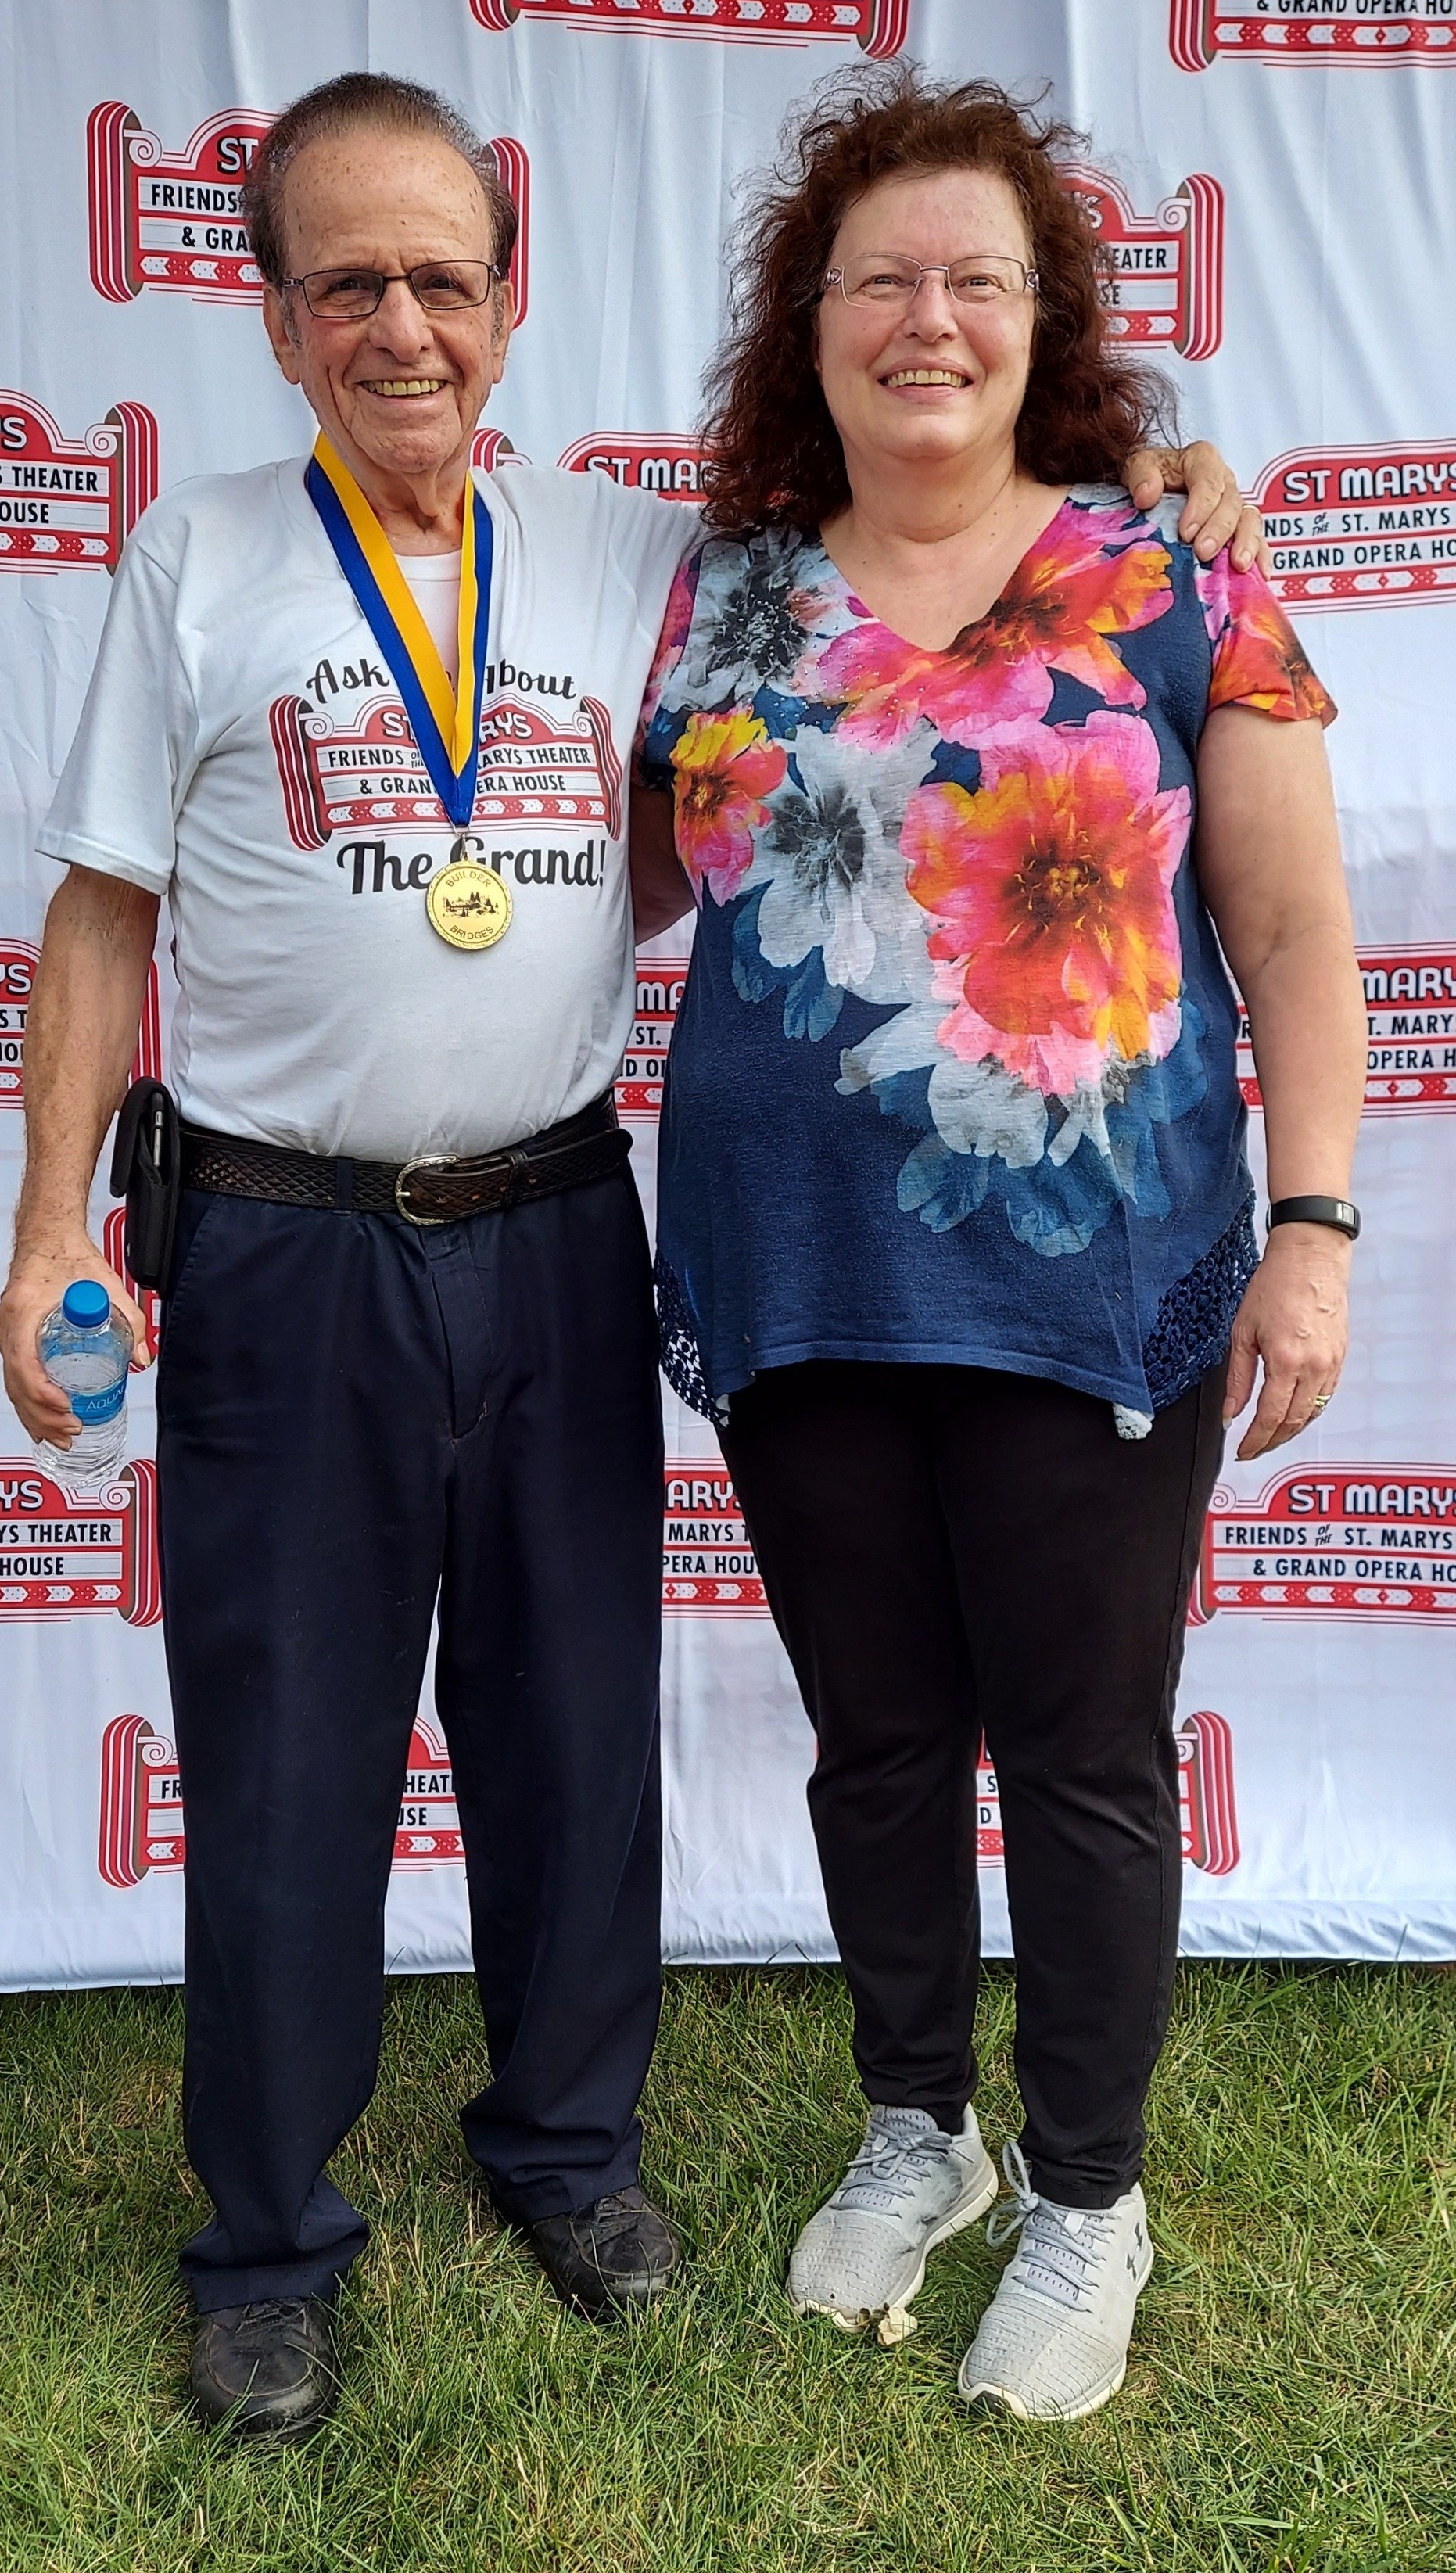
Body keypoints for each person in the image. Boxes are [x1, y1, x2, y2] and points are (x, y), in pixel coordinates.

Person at [0, 69, 1257, 2443]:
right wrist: (55, 1213)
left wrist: (1171, 484)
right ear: (268, 322)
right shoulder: (201, 553)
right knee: (286, 1764)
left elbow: (946, 587)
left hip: (568, 1220)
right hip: (276, 1243)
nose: (403, 327)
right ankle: (269, 2235)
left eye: (444, 279)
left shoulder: (643, 564)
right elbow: (98, 912)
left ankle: (568, 2154)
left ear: (510, 299)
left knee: (574, 1739)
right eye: (347, 284)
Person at [633, 72, 1364, 2422]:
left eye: (976, 277)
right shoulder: (725, 582)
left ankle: (1085, 2198)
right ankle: (918, 2129)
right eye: (878, 276)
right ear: (809, 319)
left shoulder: (1181, 575)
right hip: (795, 1271)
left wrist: (1322, 1230)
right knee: (873, 1743)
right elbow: (623, 875)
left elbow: (1299, 931)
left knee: (1076, 1754)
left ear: (1043, 321)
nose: (924, 317)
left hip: (1089, 1283)